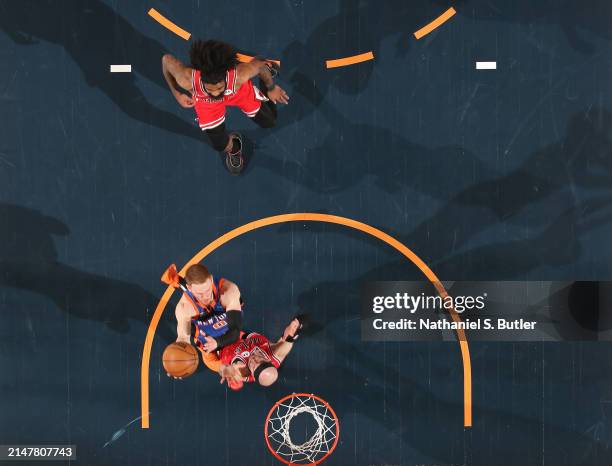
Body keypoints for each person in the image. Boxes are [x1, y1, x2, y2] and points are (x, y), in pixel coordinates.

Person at [161, 39, 289, 174]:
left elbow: (260, 65)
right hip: (207, 103)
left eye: (219, 88)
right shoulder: (187, 78)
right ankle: (235, 149)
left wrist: (271, 87)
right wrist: (177, 94)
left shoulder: (239, 75)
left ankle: (265, 82)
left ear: (225, 76)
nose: (216, 93)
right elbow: (166, 61)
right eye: (210, 89)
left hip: (237, 92)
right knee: (219, 145)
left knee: (269, 121)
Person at [161, 263, 244, 376]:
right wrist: (177, 362)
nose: (206, 296)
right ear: (189, 288)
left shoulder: (229, 291)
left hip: (223, 312)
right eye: (200, 293)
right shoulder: (184, 308)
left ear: (210, 279)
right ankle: (179, 282)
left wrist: (217, 342)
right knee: (212, 362)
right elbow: (183, 338)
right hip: (202, 327)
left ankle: (177, 281)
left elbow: (235, 331)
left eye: (207, 290)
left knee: (238, 302)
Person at [217, 315, 306, 390]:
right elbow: (289, 339)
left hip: (220, 347)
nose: (254, 360)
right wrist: (294, 328)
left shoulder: (241, 372)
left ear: (252, 373)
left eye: (253, 366)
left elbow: (224, 369)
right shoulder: (275, 356)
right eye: (259, 361)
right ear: (268, 360)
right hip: (242, 337)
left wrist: (226, 370)